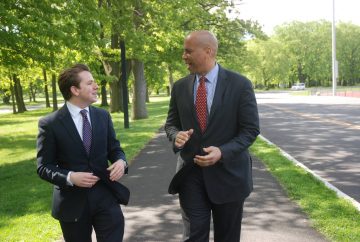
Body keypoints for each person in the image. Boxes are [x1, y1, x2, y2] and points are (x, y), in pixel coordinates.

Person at [165, 30, 260, 242]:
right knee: (194, 235)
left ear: (208, 51)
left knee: (227, 237)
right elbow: (171, 124)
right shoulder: (180, 87)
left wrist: (222, 152)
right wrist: (176, 136)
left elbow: (250, 130)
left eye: (188, 51)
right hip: (190, 174)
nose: (184, 56)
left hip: (229, 175)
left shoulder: (240, 85)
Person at [36, 63, 130, 242]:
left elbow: (115, 149)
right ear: (74, 90)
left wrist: (121, 161)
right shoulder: (50, 123)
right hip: (72, 204)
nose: (96, 86)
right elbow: (43, 167)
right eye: (89, 83)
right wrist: (71, 177)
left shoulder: (103, 116)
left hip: (105, 196)